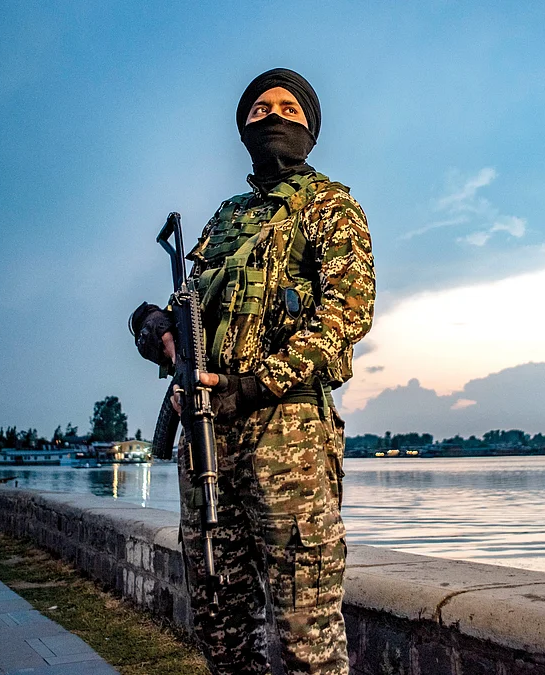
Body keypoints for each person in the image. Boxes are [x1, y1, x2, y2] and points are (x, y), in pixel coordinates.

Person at [130, 68, 374, 674]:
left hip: (286, 438)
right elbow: (196, 310)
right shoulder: (225, 217)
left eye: (287, 106)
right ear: (243, 127)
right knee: (219, 623)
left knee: (304, 632)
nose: (272, 115)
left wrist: (251, 384)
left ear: (309, 127)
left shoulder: (330, 205)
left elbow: (346, 315)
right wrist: (160, 330)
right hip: (208, 442)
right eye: (259, 108)